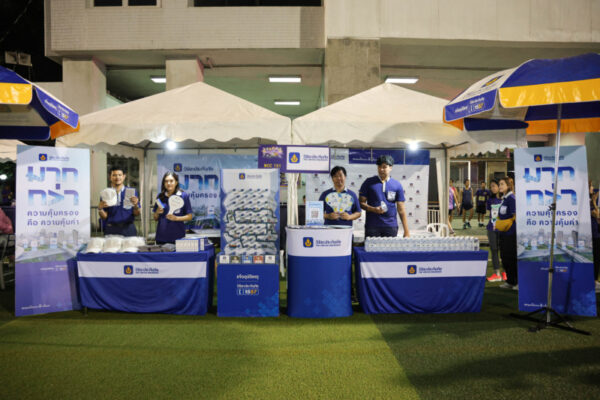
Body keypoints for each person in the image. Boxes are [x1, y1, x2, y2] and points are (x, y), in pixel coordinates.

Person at [359, 155, 410, 237]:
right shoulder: (368, 182)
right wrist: (373, 209)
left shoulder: (397, 185)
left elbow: (401, 210)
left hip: (391, 227)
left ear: (390, 167)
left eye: (384, 167)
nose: (381, 169)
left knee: (389, 246)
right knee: (371, 246)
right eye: (379, 166)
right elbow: (361, 203)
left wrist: (406, 230)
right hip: (372, 226)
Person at [98, 166, 140, 237]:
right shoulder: (106, 193)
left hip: (128, 229)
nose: (117, 177)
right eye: (114, 175)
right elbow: (104, 216)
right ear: (110, 177)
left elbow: (136, 213)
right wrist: (100, 209)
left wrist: (136, 205)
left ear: (124, 176)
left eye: (120, 175)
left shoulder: (131, 192)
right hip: (111, 229)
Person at [153, 171, 193, 244]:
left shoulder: (183, 196)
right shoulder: (160, 196)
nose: (169, 183)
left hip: (178, 238)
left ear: (176, 182)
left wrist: (176, 218)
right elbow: (155, 218)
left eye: (171, 181)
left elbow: (189, 217)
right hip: (161, 238)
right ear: (163, 183)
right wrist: (157, 212)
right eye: (166, 181)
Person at [496, 176, 517, 290]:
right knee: (504, 257)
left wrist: (509, 225)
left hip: (511, 234)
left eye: (502, 184)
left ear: (508, 186)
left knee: (511, 258)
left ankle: (517, 282)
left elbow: (515, 216)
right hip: (503, 234)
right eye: (499, 184)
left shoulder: (512, 198)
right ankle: (510, 281)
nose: (500, 186)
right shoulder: (504, 199)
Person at [485, 179, 506, 282]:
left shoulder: (505, 199)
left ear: (499, 187)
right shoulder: (490, 200)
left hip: (503, 229)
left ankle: (505, 272)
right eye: (491, 186)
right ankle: (497, 273)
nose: (492, 188)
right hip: (492, 228)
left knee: (504, 250)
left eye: (494, 186)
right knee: (494, 250)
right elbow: (490, 213)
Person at [589, 181, 600, 293]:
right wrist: (594, 202)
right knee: (594, 258)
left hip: (596, 233)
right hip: (591, 235)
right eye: (591, 186)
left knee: (597, 258)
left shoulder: (592, 201)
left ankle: (595, 280)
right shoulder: (589, 203)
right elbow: (596, 214)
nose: (593, 188)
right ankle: (593, 280)